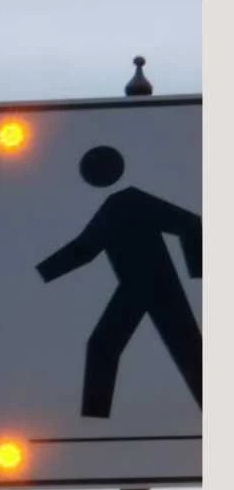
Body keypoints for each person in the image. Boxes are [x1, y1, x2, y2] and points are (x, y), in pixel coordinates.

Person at [35, 144, 202, 420]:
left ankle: (94, 418)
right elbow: (85, 250)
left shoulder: (129, 202)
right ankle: (94, 420)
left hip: (160, 286)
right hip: (136, 287)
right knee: (104, 345)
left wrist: (198, 274)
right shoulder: (114, 206)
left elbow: (191, 223)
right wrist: (40, 274)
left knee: (185, 348)